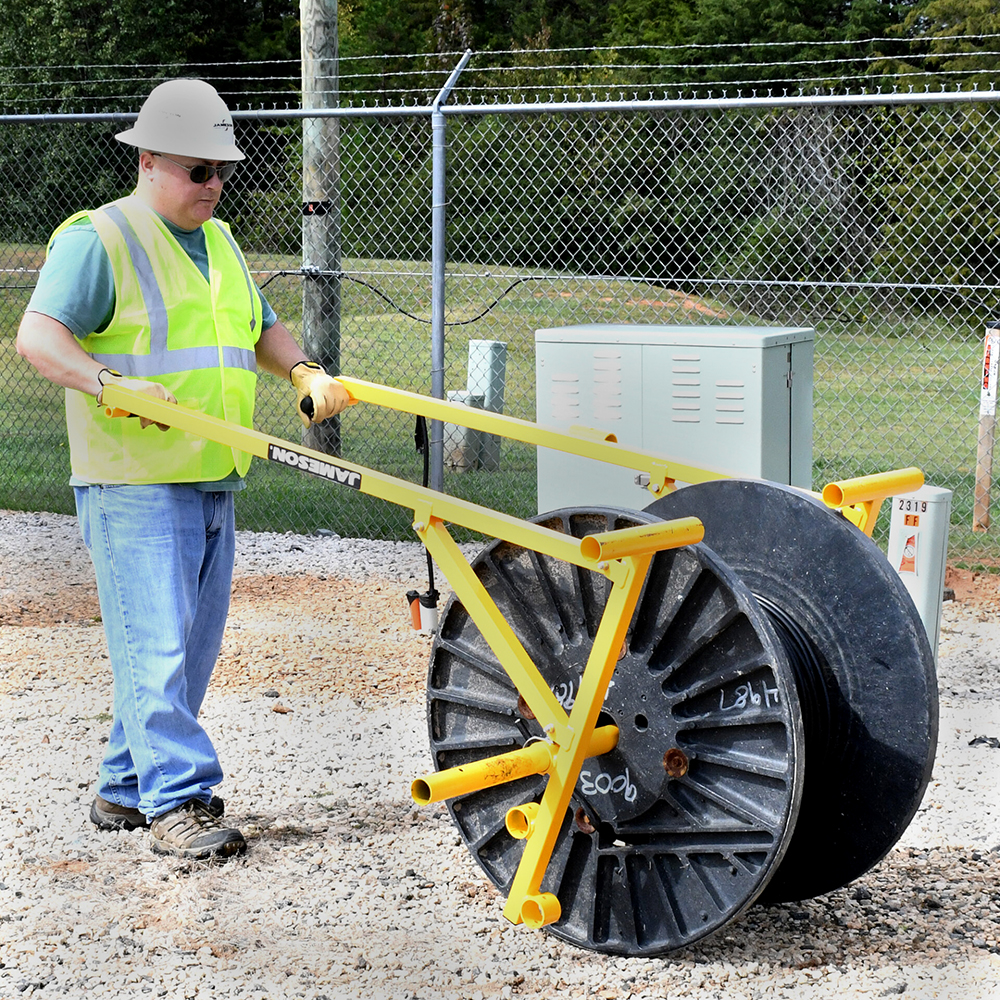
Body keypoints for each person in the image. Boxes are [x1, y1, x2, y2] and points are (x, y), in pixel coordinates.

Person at [16, 78, 350, 861]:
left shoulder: (222, 242)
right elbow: (38, 338)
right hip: (133, 477)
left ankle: (124, 788)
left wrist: (302, 370)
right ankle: (177, 801)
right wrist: (108, 382)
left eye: (221, 170)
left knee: (186, 649)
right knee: (157, 645)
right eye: (198, 170)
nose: (214, 184)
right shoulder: (99, 239)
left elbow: (260, 328)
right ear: (150, 160)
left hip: (212, 471)